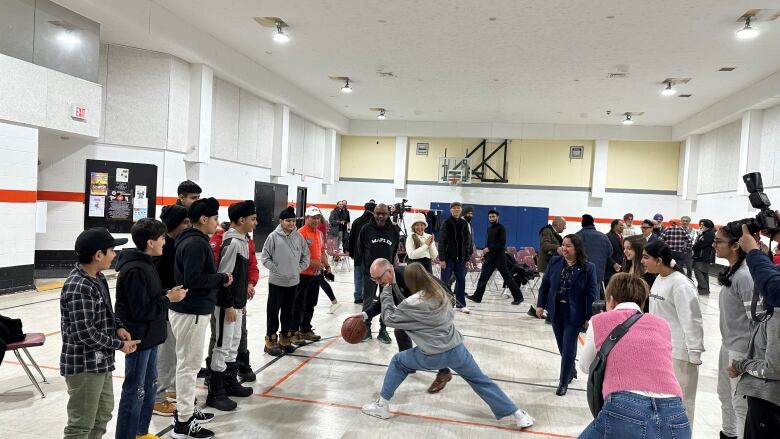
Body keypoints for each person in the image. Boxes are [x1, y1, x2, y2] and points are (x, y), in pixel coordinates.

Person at [360, 261, 535, 429]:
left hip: (433, 354)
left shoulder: (411, 303)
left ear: (410, 281)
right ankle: (519, 415)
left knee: (398, 361)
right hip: (457, 348)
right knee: (481, 380)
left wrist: (386, 291)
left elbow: (389, 318)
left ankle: (382, 406)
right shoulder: (441, 295)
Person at [577, 273, 690, 439]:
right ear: (642, 302)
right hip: (675, 412)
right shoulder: (662, 325)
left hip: (625, 407)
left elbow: (585, 366)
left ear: (611, 300)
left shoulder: (599, 320)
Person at [60, 228, 138, 439]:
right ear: (98, 255)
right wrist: (118, 344)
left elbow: (107, 311)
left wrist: (118, 327)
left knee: (102, 415)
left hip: (101, 361)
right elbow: (84, 333)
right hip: (84, 365)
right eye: (112, 250)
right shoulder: (79, 286)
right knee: (81, 425)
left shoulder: (98, 277)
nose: (115, 255)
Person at [115, 219, 187, 439]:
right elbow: (140, 310)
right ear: (150, 242)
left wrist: (166, 292)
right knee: (134, 392)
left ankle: (141, 432)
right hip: (139, 340)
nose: (165, 242)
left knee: (148, 388)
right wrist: (168, 298)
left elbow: (149, 297)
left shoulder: (146, 263)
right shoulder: (135, 269)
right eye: (162, 238)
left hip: (151, 337)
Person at [170, 197, 230, 438]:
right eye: (215, 218)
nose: (217, 222)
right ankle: (183, 422)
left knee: (188, 364)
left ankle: (188, 410)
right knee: (188, 366)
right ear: (204, 219)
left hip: (192, 311)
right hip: (191, 311)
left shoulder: (192, 239)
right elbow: (193, 279)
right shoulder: (196, 243)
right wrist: (221, 278)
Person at [359, 259, 454, 393]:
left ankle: (444, 372)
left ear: (390, 271)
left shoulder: (407, 275)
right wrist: (363, 315)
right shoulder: (385, 281)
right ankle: (408, 364)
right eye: (375, 280)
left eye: (379, 278)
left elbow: (433, 290)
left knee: (426, 337)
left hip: (439, 304)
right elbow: (381, 303)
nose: (378, 282)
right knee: (400, 330)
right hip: (418, 309)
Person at [643, 240, 704, 427]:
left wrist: (694, 352)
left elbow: (692, 319)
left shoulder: (680, 284)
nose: (643, 261)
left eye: (646, 257)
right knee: (662, 400)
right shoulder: (660, 279)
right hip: (661, 350)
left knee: (682, 402)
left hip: (680, 354)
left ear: (659, 260)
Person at [207, 201, 256, 411]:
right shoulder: (232, 242)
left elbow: (240, 277)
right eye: (253, 219)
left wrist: (240, 302)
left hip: (237, 303)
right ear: (241, 220)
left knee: (234, 343)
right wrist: (227, 304)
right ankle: (215, 392)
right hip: (225, 305)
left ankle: (229, 382)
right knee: (223, 345)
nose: (256, 222)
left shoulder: (243, 241)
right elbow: (224, 277)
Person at [536, 234, 598, 396]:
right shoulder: (555, 262)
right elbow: (545, 285)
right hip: (556, 311)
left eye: (568, 245)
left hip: (575, 314)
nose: (564, 248)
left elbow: (592, 293)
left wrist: (588, 316)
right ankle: (571, 370)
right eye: (563, 245)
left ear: (577, 248)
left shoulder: (588, 267)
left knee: (569, 347)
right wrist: (540, 305)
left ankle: (563, 382)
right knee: (562, 346)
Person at [714, 226, 754, 439]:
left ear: (736, 245)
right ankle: (729, 434)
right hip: (727, 345)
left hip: (741, 350)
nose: (715, 246)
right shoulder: (733, 272)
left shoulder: (745, 276)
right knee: (724, 396)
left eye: (719, 241)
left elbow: (756, 320)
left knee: (740, 404)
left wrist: (745, 360)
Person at [153, 204, 190, 416]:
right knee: (165, 354)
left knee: (174, 350)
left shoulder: (176, 244)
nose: (187, 226)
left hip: (174, 305)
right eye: (184, 222)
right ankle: (157, 397)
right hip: (165, 306)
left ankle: (171, 388)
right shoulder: (164, 248)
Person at [728, 293, 779, 438]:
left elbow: (773, 368)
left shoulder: (775, 318)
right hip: (762, 400)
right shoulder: (768, 316)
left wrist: (742, 365)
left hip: (768, 402)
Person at [261, 206, 310, 357]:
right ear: (281, 221)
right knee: (273, 312)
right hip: (277, 282)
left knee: (288, 312)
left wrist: (298, 269)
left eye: (293, 221)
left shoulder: (299, 237)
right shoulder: (273, 237)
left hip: (293, 282)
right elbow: (265, 257)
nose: (291, 223)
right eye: (288, 221)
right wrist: (276, 269)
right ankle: (270, 340)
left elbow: (305, 256)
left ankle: (285, 339)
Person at [357, 203, 400, 342]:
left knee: (386, 301)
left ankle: (383, 330)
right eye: (378, 213)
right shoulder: (366, 229)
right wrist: (368, 267)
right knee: (368, 300)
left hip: (387, 274)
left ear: (388, 214)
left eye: (384, 213)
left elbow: (393, 252)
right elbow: (361, 249)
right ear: (373, 213)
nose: (381, 216)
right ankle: (366, 328)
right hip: (370, 273)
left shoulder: (393, 230)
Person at [466, 209, 524, 305]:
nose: (491, 218)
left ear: (497, 217)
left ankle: (519, 297)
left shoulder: (501, 228)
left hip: (500, 257)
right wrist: (485, 255)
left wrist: (488, 249)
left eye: (493, 216)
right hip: (490, 258)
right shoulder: (489, 229)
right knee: (483, 277)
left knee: (507, 277)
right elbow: (488, 244)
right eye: (490, 217)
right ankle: (477, 297)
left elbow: (502, 243)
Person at [292, 206, 330, 345]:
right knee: (298, 304)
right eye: (313, 217)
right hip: (302, 274)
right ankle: (293, 332)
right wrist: (312, 263)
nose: (316, 220)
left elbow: (322, 252)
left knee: (310, 303)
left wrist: (327, 266)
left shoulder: (319, 233)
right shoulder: (300, 234)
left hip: (316, 275)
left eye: (318, 218)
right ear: (306, 218)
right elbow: (295, 256)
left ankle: (305, 329)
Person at [437, 202, 473, 313]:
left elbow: (467, 243)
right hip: (448, 258)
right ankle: (443, 303)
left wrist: (467, 258)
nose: (456, 209)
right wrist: (442, 259)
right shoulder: (446, 223)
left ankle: (460, 305)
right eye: (454, 208)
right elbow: (441, 242)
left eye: (458, 208)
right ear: (451, 210)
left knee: (461, 281)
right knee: (444, 281)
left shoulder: (464, 224)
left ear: (461, 210)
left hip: (461, 259)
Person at [347, 200, 376, 304]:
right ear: (374, 210)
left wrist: (351, 252)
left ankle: (358, 296)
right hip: (370, 255)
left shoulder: (357, 221)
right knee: (369, 275)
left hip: (357, 253)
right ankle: (368, 296)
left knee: (358, 275)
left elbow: (351, 238)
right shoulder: (374, 222)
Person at [575, 214, 613, 289]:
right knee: (595, 297)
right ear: (593, 223)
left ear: (582, 224)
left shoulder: (578, 236)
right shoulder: (603, 236)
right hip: (598, 274)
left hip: (581, 273)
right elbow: (610, 252)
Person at [622, 235, 656, 310]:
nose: (625, 251)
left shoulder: (649, 273)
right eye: (624, 248)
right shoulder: (626, 268)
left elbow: (650, 300)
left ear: (638, 249)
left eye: (629, 248)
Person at [692, 219, 715, 296]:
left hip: (703, 256)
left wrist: (694, 247)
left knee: (698, 271)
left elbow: (701, 244)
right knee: (703, 272)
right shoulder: (705, 233)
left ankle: (704, 287)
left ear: (707, 226)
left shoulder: (708, 234)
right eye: (700, 224)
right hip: (703, 256)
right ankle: (704, 289)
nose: (701, 226)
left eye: (702, 225)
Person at [604, 219, 625, 285]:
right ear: (615, 226)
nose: (623, 227)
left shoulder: (622, 237)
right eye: (621, 225)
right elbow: (605, 253)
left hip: (620, 270)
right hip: (610, 271)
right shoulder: (608, 236)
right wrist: (613, 264)